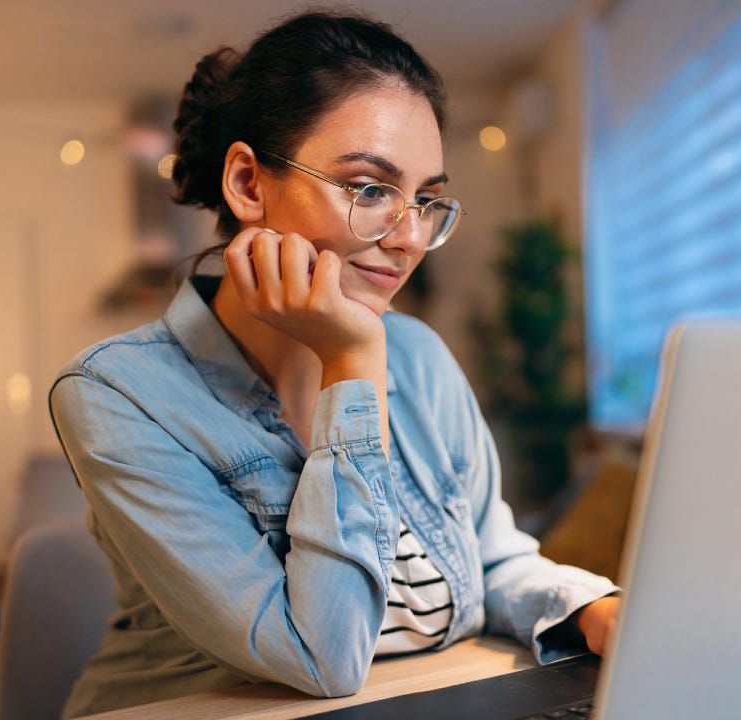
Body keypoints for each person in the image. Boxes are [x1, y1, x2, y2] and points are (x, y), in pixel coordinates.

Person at [50, 10, 620, 718]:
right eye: (370, 189)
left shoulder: (417, 357)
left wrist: (594, 608)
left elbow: (491, 558)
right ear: (249, 184)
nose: (408, 237)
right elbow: (321, 657)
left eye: (426, 200)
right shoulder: (119, 394)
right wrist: (350, 364)